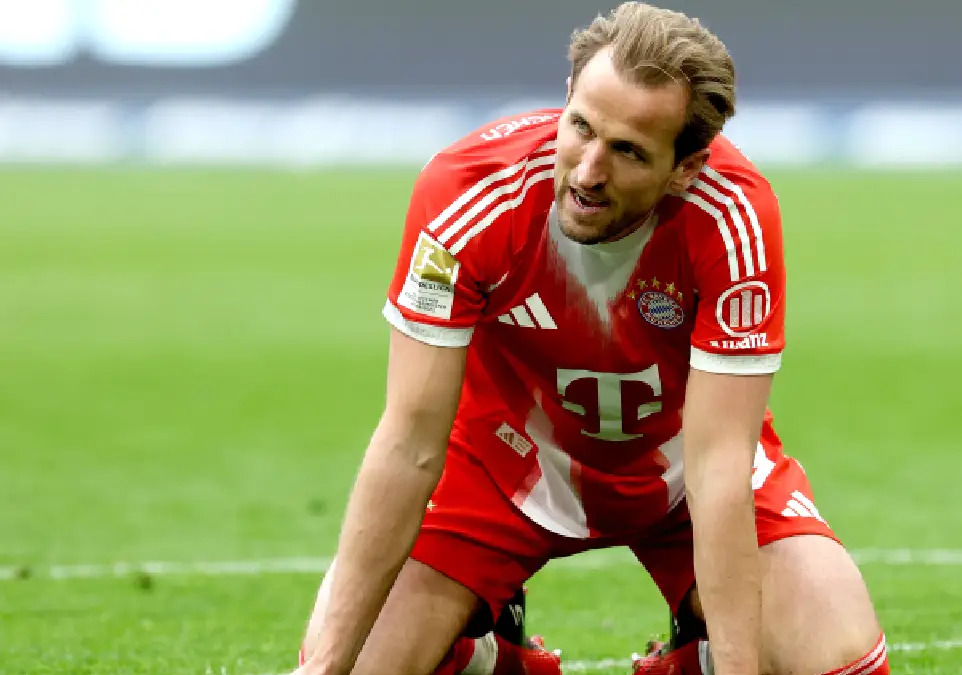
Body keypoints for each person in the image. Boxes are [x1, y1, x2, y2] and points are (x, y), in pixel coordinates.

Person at [292, 3, 889, 675]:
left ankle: (695, 657)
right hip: (496, 466)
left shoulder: (734, 217)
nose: (586, 172)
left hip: (681, 476)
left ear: (686, 167)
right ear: (567, 94)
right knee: (360, 660)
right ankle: (490, 654)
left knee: (842, 660)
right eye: (580, 127)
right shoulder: (468, 193)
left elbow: (719, 465)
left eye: (628, 151)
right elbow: (409, 442)